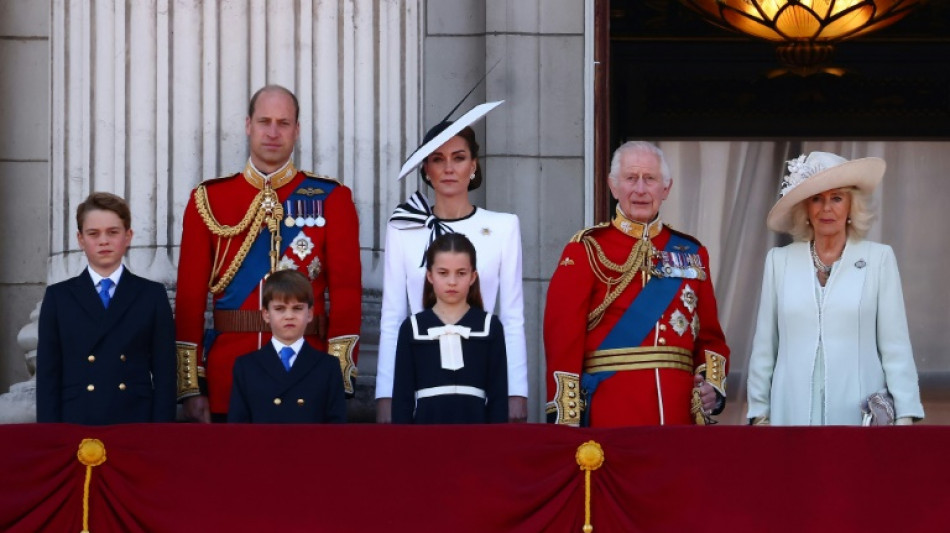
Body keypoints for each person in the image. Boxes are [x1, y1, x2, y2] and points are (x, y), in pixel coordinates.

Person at [175, 85, 362, 422]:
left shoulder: (331, 197)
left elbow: (347, 295)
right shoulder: (209, 200)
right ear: (248, 125)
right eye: (264, 122)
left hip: (309, 375)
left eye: (284, 123)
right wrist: (191, 385)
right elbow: (189, 299)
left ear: (297, 129)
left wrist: (339, 378)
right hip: (228, 376)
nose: (273, 133)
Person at [544, 141, 730, 427]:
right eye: (631, 178)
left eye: (650, 179)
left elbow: (711, 337)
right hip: (611, 413)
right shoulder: (586, 250)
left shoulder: (692, 253)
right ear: (613, 185)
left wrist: (711, 388)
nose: (641, 190)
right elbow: (563, 339)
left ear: (665, 188)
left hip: (678, 415)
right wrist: (567, 419)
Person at [746, 151, 924, 426]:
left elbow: (895, 346)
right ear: (805, 208)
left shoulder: (879, 259)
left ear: (852, 206)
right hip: (790, 415)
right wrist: (759, 414)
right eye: (816, 198)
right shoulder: (779, 261)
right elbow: (765, 347)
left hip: (858, 416)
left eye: (837, 198)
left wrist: (905, 416)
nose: (826, 208)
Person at [377, 105, 528, 423]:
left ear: (473, 165)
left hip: (482, 373)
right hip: (421, 378)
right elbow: (393, 317)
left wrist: (516, 392)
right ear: (425, 169)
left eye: (458, 158)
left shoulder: (503, 227)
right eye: (437, 159)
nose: (448, 168)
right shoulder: (404, 228)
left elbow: (513, 318)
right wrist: (386, 396)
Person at [36, 192, 176, 424]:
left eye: (113, 232)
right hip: (76, 420)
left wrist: (161, 433)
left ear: (128, 236)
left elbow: (165, 374)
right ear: (80, 239)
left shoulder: (151, 295)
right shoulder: (58, 297)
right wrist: (50, 436)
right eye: (93, 234)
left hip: (135, 420)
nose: (104, 241)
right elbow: (48, 376)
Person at [392, 233, 508, 424]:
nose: (452, 281)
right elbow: (402, 399)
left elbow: (498, 398)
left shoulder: (489, 326)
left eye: (461, 273)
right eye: (443, 273)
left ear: (473, 277)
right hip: (426, 434)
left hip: (476, 434)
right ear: (430, 275)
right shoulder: (412, 328)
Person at [228, 270, 346, 423]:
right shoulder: (246, 367)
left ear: (309, 313)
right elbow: (238, 430)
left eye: (297, 308)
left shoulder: (328, 367)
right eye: (280, 309)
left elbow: (336, 430)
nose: (289, 316)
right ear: (266, 314)